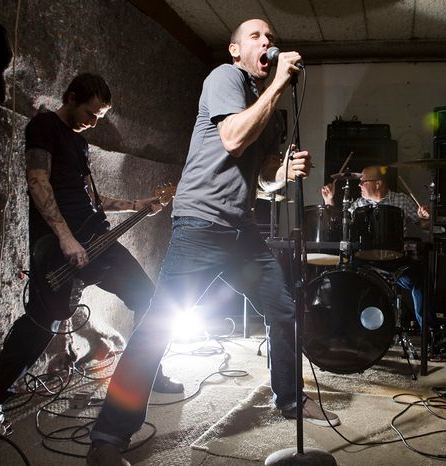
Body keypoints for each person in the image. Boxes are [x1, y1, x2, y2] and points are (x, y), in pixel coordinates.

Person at [86, 19, 340, 464]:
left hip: (240, 230)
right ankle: (107, 440)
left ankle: (289, 398)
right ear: (235, 50)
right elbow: (232, 138)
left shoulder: (259, 101)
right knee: (158, 327)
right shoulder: (226, 79)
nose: (268, 43)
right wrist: (280, 82)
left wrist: (280, 175)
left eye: (272, 39)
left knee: (283, 308)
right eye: (257, 37)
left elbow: (254, 181)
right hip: (201, 225)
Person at [0, 73, 184, 412]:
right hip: (57, 246)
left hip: (97, 241)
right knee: (44, 319)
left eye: (99, 117)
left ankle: (146, 374)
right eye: (89, 114)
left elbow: (91, 199)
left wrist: (135, 204)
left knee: (148, 298)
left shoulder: (79, 142)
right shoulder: (43, 126)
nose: (93, 123)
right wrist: (66, 238)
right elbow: (38, 182)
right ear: (71, 98)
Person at [321, 165, 437, 340]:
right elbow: (338, 227)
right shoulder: (358, 204)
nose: (358, 185)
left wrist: (426, 218)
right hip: (364, 261)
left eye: (362, 182)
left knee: (421, 278)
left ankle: (429, 333)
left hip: (395, 260)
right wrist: (330, 201)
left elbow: (423, 225)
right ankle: (342, 334)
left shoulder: (401, 200)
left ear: (377, 184)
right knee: (341, 277)